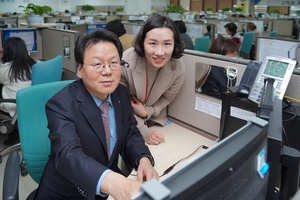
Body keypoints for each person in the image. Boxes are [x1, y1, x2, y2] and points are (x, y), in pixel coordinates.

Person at [34, 29, 158, 200]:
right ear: (80, 69)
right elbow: (68, 154)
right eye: (97, 64)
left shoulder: (120, 94)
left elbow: (130, 132)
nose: (107, 71)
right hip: (69, 193)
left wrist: (142, 158)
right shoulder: (60, 104)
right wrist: (111, 181)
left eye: (114, 63)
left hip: (105, 192)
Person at [121, 15, 185, 145]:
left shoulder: (177, 66)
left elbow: (167, 97)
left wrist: (147, 112)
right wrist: (144, 132)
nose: (160, 52)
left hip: (156, 120)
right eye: (152, 43)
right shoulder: (128, 60)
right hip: (127, 121)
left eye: (167, 44)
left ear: (174, 44)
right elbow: (120, 104)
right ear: (142, 43)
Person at [0, 37, 35, 145]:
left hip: (14, 105)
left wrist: (1, 59)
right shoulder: (34, 65)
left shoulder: (6, 69)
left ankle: (13, 128)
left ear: (7, 52)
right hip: (32, 103)